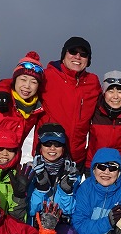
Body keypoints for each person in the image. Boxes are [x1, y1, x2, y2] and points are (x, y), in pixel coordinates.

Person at [0, 51, 45, 167]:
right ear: (15, 80)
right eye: (23, 79)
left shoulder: (35, 110)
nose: (27, 86)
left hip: (9, 165)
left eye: (34, 82)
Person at [28, 123, 80, 234]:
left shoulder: (71, 172)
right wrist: (41, 188)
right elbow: (30, 209)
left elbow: (69, 209)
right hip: (35, 224)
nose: (52, 148)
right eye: (47, 144)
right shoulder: (29, 170)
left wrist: (65, 190)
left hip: (58, 222)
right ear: (40, 147)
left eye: (57, 144)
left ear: (64, 148)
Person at [40, 37, 101, 169]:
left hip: (76, 158)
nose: (77, 57)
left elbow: (108, 102)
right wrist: (2, 91)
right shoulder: (47, 76)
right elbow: (18, 82)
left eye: (83, 54)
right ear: (64, 55)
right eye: (73, 51)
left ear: (88, 60)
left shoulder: (92, 82)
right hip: (48, 154)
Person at [87, 71, 121, 182]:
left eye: (120, 91)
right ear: (104, 92)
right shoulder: (94, 111)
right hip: (95, 165)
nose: (115, 96)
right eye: (110, 91)